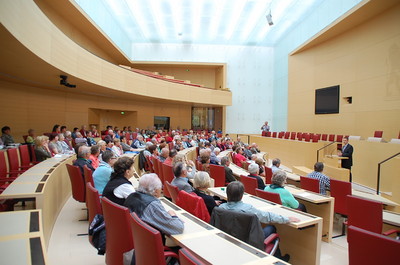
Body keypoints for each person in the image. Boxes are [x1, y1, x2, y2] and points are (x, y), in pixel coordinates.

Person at [219, 181, 299, 262]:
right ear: (242, 195)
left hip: (228, 239)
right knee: (271, 228)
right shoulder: (248, 209)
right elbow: (268, 217)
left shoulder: (220, 208)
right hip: (248, 241)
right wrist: (287, 219)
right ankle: (278, 260)